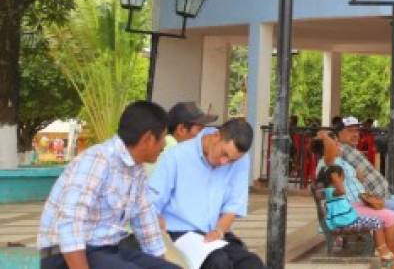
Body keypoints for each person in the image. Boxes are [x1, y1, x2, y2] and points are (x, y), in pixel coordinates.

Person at [37, 101, 175, 268]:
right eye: (162, 138)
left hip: (107, 250)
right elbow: (70, 223)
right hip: (66, 255)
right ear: (148, 139)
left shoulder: (137, 170)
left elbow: (146, 222)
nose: (165, 145)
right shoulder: (98, 160)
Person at [148, 118, 264, 269]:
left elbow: (234, 204)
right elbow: (151, 203)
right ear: (216, 136)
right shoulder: (177, 156)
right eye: (224, 154)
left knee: (252, 263)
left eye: (231, 160)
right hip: (179, 233)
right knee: (218, 261)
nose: (224, 162)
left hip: (214, 233)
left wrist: (219, 230)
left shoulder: (240, 160)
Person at [315, 128, 394, 263]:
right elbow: (329, 152)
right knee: (392, 217)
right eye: (335, 143)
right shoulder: (326, 162)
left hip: (357, 204)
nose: (338, 146)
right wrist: (325, 137)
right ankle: (393, 260)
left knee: (393, 213)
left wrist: (358, 178)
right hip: (347, 209)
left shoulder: (340, 160)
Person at [315, 166, 391, 260]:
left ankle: (381, 248)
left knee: (377, 221)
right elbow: (342, 191)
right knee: (377, 222)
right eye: (342, 177)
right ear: (336, 178)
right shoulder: (330, 191)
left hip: (347, 222)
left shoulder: (330, 191)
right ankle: (382, 249)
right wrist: (337, 179)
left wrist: (337, 180)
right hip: (345, 224)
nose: (343, 180)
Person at [147, 102, 217, 174]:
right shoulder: (172, 149)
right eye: (200, 130)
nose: (204, 135)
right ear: (182, 129)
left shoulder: (166, 144)